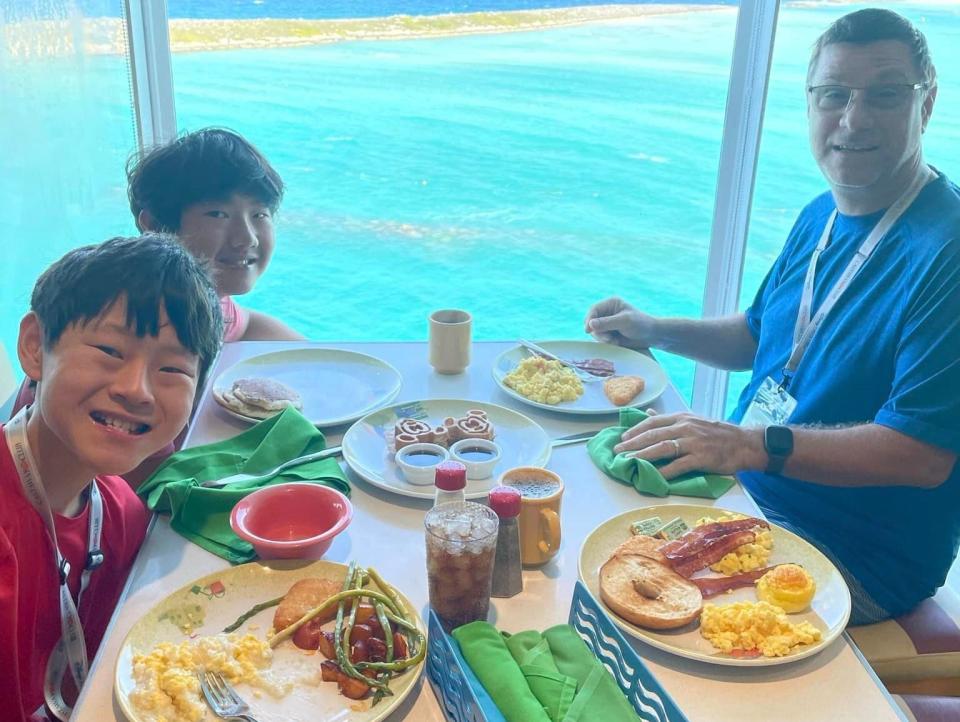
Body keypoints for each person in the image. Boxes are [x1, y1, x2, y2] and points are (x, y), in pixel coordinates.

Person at [584, 8, 959, 625]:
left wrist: (749, 445)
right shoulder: (823, 213)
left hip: (852, 553)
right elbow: (759, 337)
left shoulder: (948, 250)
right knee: (589, 523)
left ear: (928, 103)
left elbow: (921, 455)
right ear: (811, 103)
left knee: (625, 599)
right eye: (834, 94)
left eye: (885, 96)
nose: (853, 119)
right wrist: (655, 330)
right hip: (747, 495)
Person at [0, 234, 223, 721]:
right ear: (36, 347)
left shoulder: (121, 511)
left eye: (172, 369)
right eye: (109, 350)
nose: (136, 389)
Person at [127, 126, 303, 341]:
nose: (247, 239)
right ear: (156, 227)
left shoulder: (212, 306)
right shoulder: (135, 319)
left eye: (259, 214)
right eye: (218, 214)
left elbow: (242, 324)